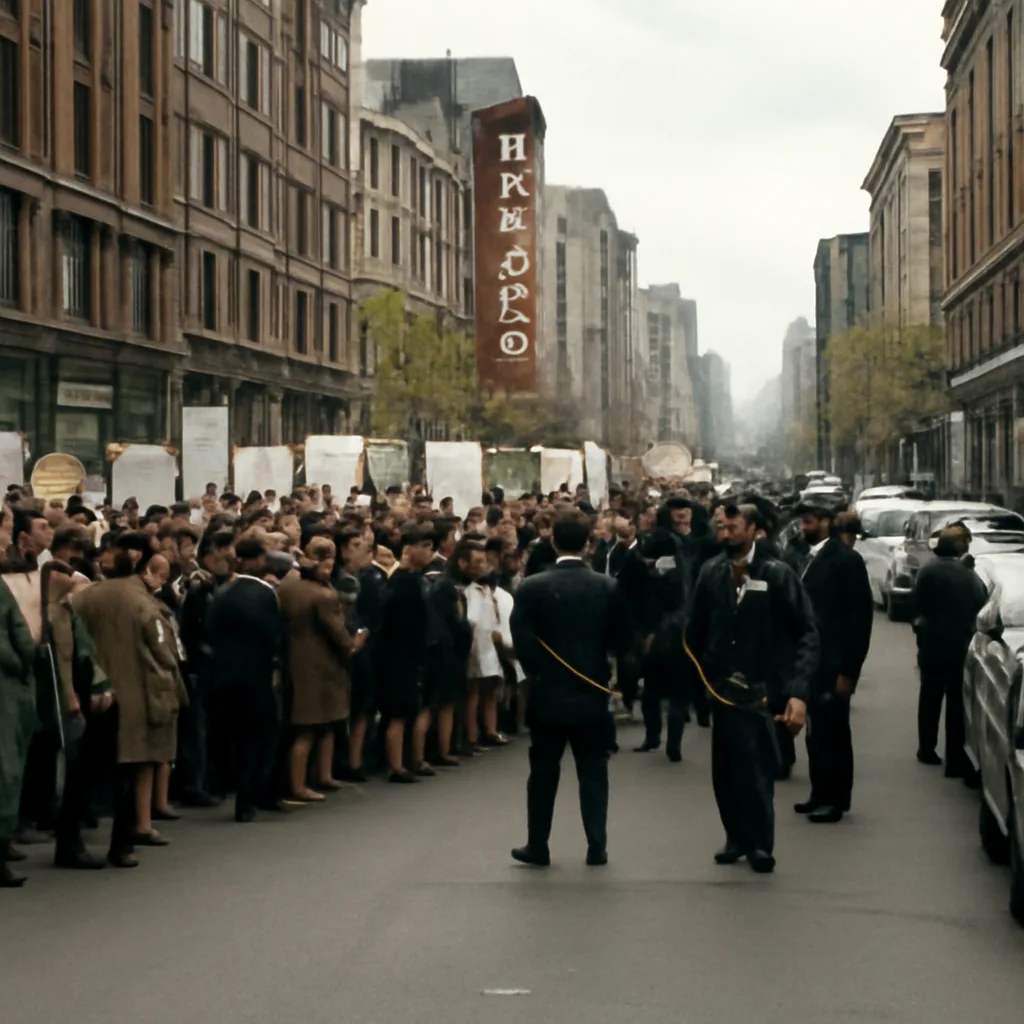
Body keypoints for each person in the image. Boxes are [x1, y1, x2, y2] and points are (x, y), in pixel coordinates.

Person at [686, 503, 818, 873]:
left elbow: (807, 632)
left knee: (757, 767)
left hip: (764, 687)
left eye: (732, 527)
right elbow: (694, 628)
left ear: (754, 529)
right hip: (722, 689)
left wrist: (798, 691)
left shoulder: (777, 573)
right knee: (725, 767)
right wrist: (701, 677)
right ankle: (736, 837)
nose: (725, 535)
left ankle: (761, 843)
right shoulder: (710, 572)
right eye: (720, 528)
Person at [509, 508, 631, 867]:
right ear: (589, 544)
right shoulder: (608, 586)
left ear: (551, 540)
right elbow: (622, 639)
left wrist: (538, 675)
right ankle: (596, 845)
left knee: (544, 771)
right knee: (594, 771)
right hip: (592, 690)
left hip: (547, 693)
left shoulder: (532, 587)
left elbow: (523, 641)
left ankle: (538, 844)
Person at [793, 501, 873, 823]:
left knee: (834, 734)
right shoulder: (809, 559)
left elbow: (859, 620)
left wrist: (849, 671)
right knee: (816, 732)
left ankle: (836, 799)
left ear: (827, 522)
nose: (804, 528)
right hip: (814, 662)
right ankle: (819, 792)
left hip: (835, 664)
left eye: (809, 522)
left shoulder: (846, 561)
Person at [277, 536, 366, 801]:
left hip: (295, 660)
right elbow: (339, 633)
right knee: (312, 727)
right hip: (321, 664)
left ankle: (322, 776)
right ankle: (300, 785)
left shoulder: (287, 586)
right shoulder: (323, 595)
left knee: (322, 723)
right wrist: (357, 640)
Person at [205, 536, 284, 821]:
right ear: (257, 560)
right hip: (256, 675)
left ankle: (226, 786)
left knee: (232, 737)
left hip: (223, 673)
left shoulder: (223, 592)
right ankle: (251, 798)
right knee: (259, 737)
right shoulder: (266, 594)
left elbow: (209, 629)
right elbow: (273, 635)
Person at [911, 526, 988, 776]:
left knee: (930, 695)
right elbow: (981, 602)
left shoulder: (927, 570)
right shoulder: (968, 575)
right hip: (959, 644)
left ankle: (927, 748)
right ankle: (955, 758)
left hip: (931, 642)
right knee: (956, 701)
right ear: (961, 547)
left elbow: (917, 603)